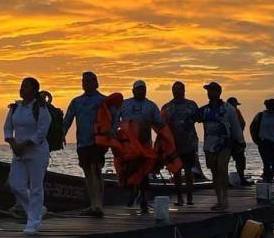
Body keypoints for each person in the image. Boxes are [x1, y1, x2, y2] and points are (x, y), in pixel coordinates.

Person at [4, 77, 51, 234]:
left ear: (34, 90)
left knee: (36, 187)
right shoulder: (15, 108)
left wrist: (23, 145)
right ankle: (38, 210)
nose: (22, 89)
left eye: (26, 86)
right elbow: (7, 128)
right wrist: (13, 144)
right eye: (21, 86)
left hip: (37, 153)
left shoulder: (41, 108)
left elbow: (41, 132)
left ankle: (33, 222)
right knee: (16, 185)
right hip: (18, 153)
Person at [115, 80, 164, 212]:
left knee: (144, 172)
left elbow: (160, 123)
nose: (141, 91)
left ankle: (142, 199)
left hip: (145, 144)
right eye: (138, 89)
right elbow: (115, 119)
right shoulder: (125, 105)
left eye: (143, 89)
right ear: (133, 91)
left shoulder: (151, 106)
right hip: (128, 145)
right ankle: (132, 191)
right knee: (127, 170)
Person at [63, 72, 107, 217]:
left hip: (97, 141)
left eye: (89, 81)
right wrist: (62, 134)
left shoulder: (103, 100)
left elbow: (113, 119)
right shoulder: (76, 101)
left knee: (96, 170)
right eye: (84, 81)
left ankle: (98, 204)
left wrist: (112, 133)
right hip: (82, 142)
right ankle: (92, 203)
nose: (86, 83)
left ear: (96, 83)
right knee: (87, 172)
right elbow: (68, 119)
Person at [198, 82, 244, 211]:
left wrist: (240, 142)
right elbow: (192, 119)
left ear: (218, 92)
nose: (209, 93)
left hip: (225, 143)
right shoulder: (204, 110)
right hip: (209, 145)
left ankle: (225, 200)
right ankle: (219, 200)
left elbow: (236, 126)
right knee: (214, 172)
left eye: (211, 90)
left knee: (222, 169)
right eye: (208, 91)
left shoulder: (228, 108)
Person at [161, 82, 200, 206]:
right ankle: (179, 198)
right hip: (173, 146)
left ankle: (189, 197)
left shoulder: (191, 105)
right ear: (172, 91)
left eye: (180, 89)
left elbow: (199, 119)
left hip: (189, 144)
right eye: (175, 89)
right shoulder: (167, 107)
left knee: (189, 171)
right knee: (176, 172)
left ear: (184, 90)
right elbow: (161, 126)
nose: (177, 91)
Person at [227, 97, 252, 187]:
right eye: (235, 104)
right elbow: (240, 124)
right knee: (234, 160)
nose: (236, 106)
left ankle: (241, 179)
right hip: (232, 140)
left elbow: (242, 124)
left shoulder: (236, 112)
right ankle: (236, 180)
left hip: (236, 139)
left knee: (240, 160)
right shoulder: (230, 112)